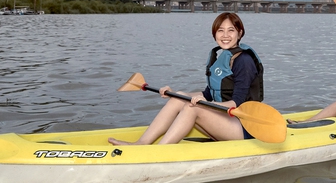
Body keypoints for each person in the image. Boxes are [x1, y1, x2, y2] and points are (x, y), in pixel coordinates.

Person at [109, 12, 263, 145]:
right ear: (214, 33)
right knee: (179, 98)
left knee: (193, 108)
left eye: (231, 30)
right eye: (220, 30)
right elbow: (208, 94)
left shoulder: (244, 60)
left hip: (245, 127)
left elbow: (238, 103)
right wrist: (174, 93)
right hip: (226, 120)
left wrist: (206, 105)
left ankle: (159, 151)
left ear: (240, 33)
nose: (225, 35)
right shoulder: (222, 58)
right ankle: (142, 143)